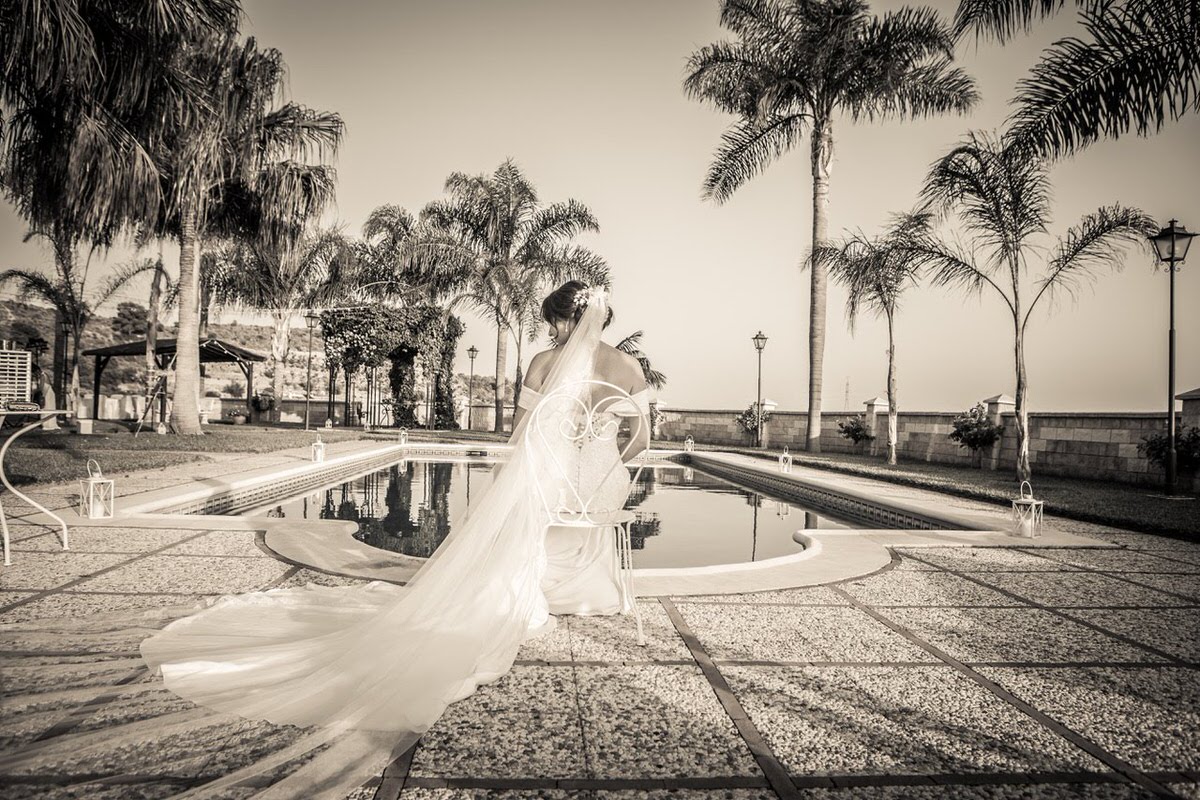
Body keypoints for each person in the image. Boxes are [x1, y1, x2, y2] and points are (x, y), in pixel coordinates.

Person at [132, 283, 647, 799]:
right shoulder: (628, 369)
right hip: (600, 494)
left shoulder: (543, 363)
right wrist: (607, 472)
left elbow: (522, 435)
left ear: (566, 318)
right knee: (567, 492)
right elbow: (642, 437)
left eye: (555, 322)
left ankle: (524, 580)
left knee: (519, 494)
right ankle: (585, 587)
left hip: (549, 484)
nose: (555, 332)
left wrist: (527, 474)